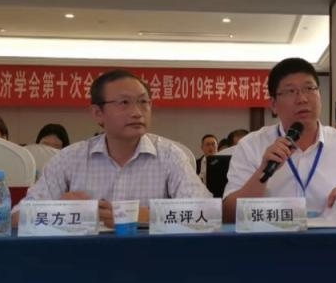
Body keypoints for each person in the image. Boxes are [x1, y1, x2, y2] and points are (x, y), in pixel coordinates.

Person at [13, 69, 210, 226]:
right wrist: (61, 211)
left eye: (143, 102)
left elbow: (207, 212)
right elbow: (15, 218)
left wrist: (138, 215)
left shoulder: (170, 156)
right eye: (124, 103)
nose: (137, 112)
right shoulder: (68, 159)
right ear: (98, 113)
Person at [222, 57, 336, 222]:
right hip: (271, 237)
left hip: (331, 238)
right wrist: (262, 172)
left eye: (309, 88)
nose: (302, 99)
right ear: (273, 104)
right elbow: (228, 215)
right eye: (290, 91)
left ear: (319, 95)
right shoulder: (251, 146)